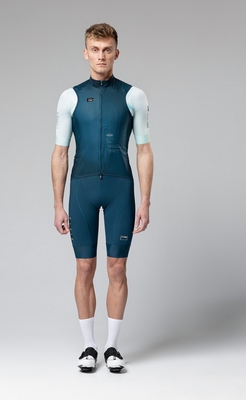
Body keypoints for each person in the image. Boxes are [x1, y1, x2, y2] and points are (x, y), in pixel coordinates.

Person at [51, 23, 153, 373]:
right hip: (82, 187)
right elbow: (60, 153)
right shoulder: (71, 97)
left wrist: (145, 201)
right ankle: (88, 346)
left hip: (119, 188)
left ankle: (111, 346)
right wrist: (57, 203)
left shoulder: (133, 95)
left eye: (107, 50)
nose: (101, 56)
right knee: (84, 267)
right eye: (95, 50)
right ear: (85, 53)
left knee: (117, 267)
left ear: (116, 53)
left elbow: (144, 150)